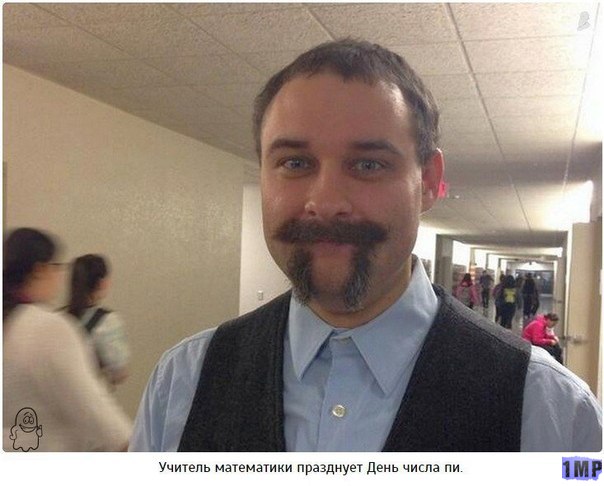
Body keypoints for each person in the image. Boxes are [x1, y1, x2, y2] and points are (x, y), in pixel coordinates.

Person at [130, 39, 601, 452]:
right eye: (295, 162)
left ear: (429, 181)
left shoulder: (550, 410)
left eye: (368, 165)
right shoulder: (183, 383)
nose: (325, 203)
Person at [3, 228, 132, 451]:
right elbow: (93, 409)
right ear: (40, 270)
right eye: (57, 267)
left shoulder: (13, 323)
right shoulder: (46, 327)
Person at [65, 254, 130, 386]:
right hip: (87, 393)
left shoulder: (57, 318)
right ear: (102, 282)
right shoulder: (107, 321)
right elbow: (119, 374)